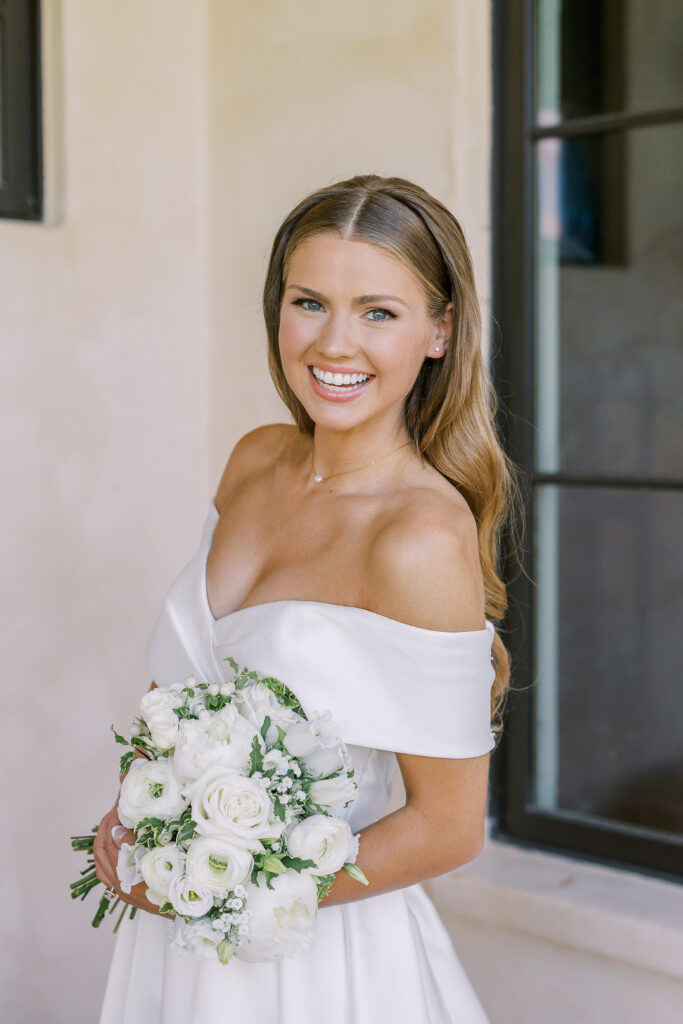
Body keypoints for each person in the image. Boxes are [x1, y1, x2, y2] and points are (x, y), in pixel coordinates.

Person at [93, 173, 521, 1023]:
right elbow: (190, 692)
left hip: (313, 958)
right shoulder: (255, 459)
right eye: (308, 302)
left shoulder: (420, 537)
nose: (334, 343)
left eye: (378, 312)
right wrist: (146, 818)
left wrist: (220, 890)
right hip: (175, 941)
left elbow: (447, 829)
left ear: (438, 332)